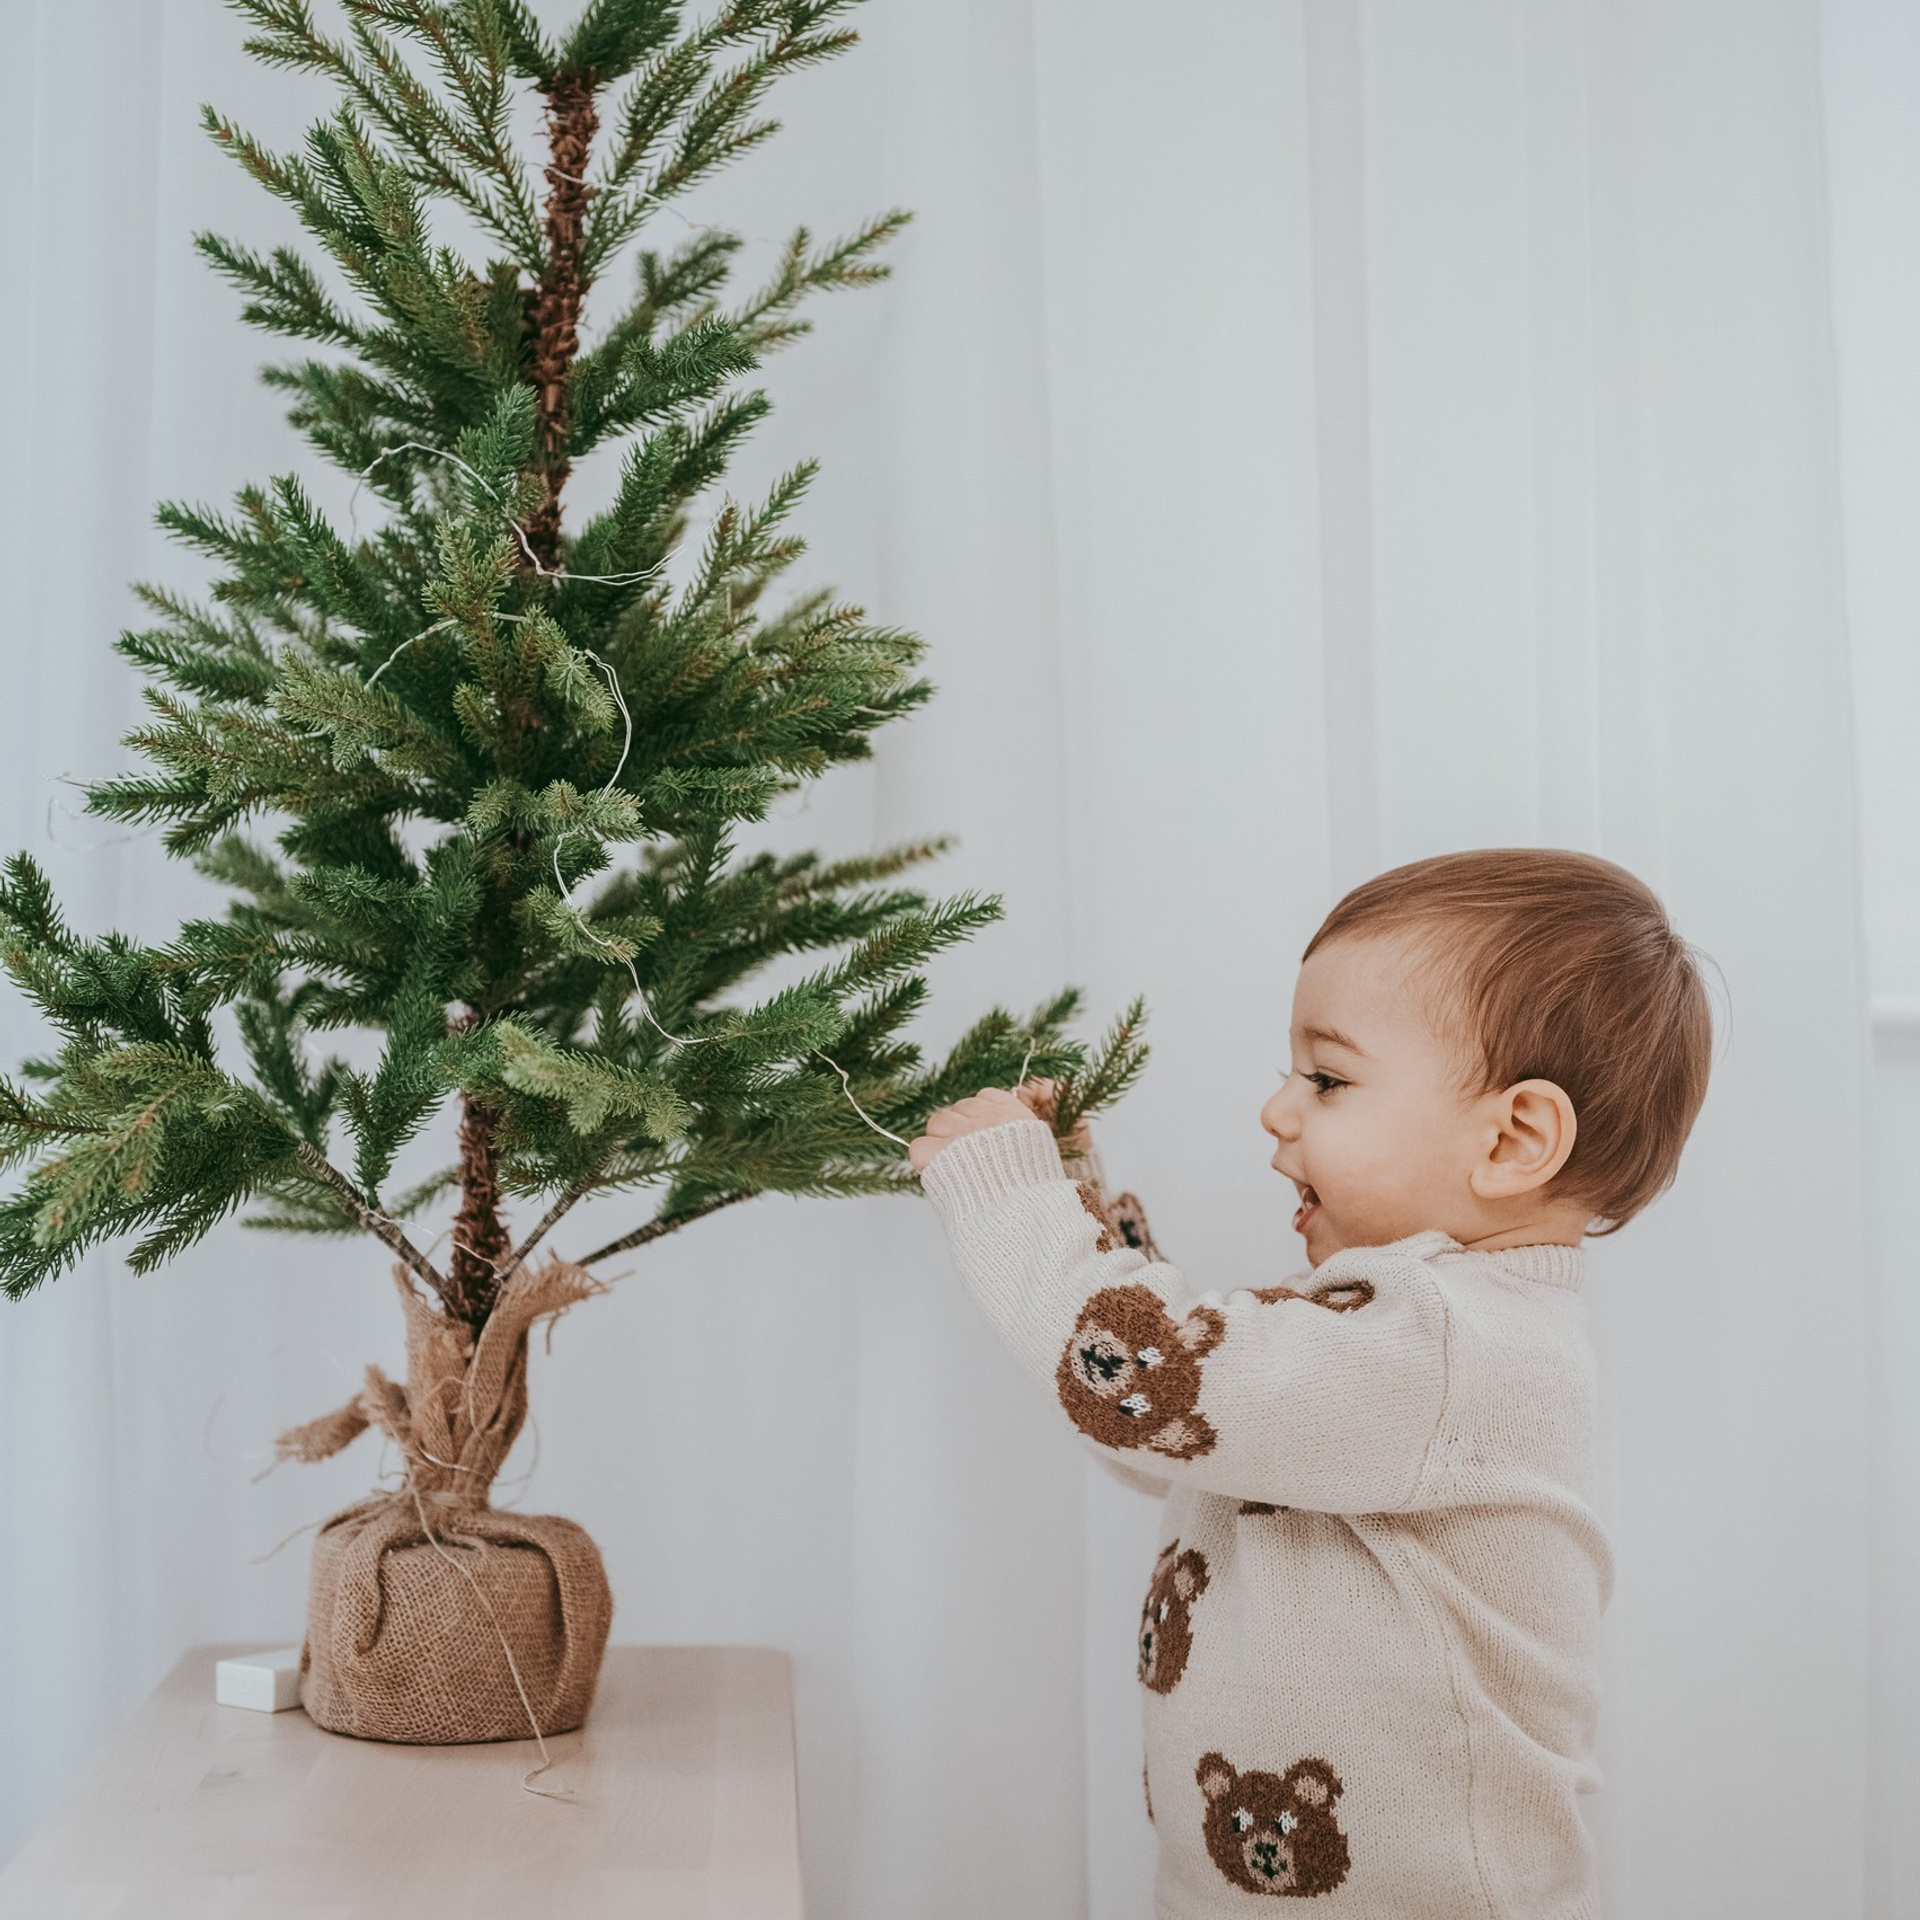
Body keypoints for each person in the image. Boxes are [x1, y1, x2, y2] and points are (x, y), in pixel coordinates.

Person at [909, 848, 1713, 1917]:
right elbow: (1173, 1429)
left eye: (1327, 1079)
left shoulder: (1444, 1343)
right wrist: (1086, 1216)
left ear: (1515, 1138)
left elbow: (1149, 1395)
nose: (1276, 1111)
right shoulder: (1387, 1322)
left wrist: (1009, 1198)